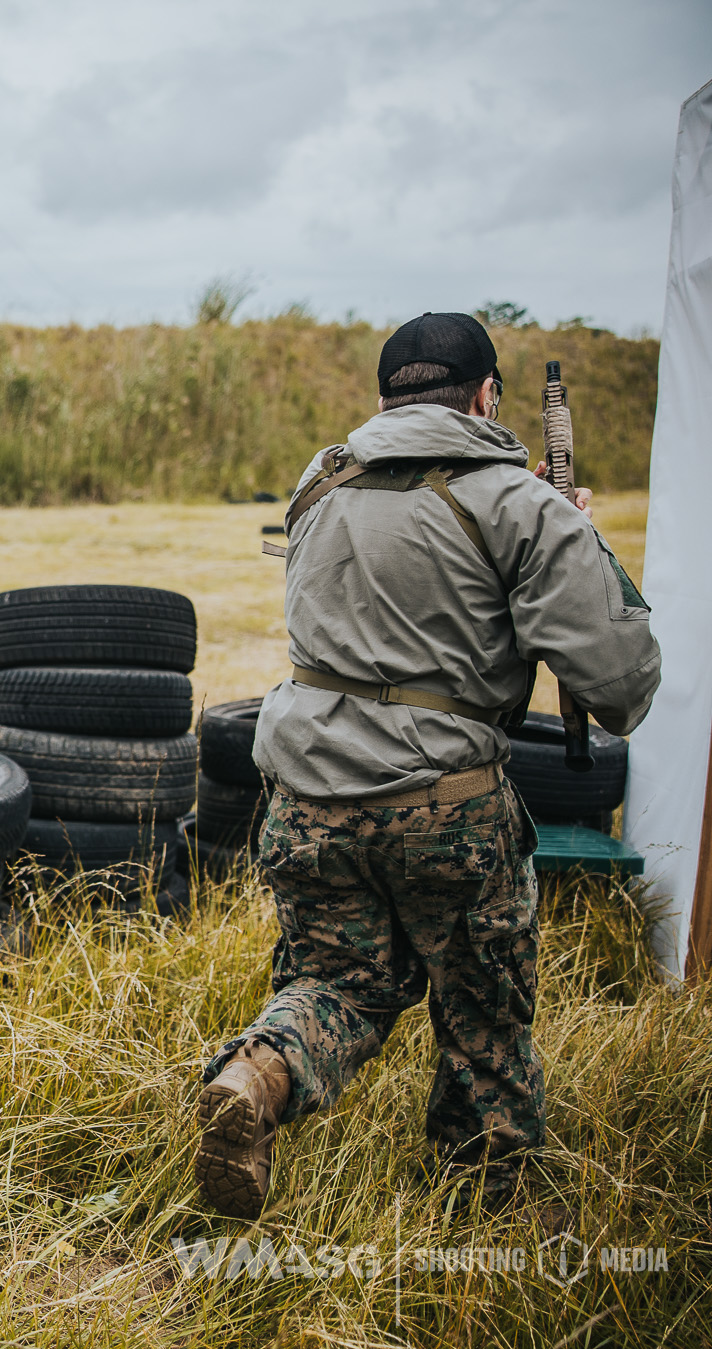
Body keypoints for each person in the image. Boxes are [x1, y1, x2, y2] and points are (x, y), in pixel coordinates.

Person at [193, 312, 660, 1218]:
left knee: (338, 983)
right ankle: (491, 1210)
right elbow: (623, 682)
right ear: (487, 397)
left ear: (383, 401)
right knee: (482, 1010)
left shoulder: (319, 482)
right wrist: (577, 539)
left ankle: (255, 1077)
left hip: (306, 801)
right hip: (444, 806)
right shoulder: (519, 504)